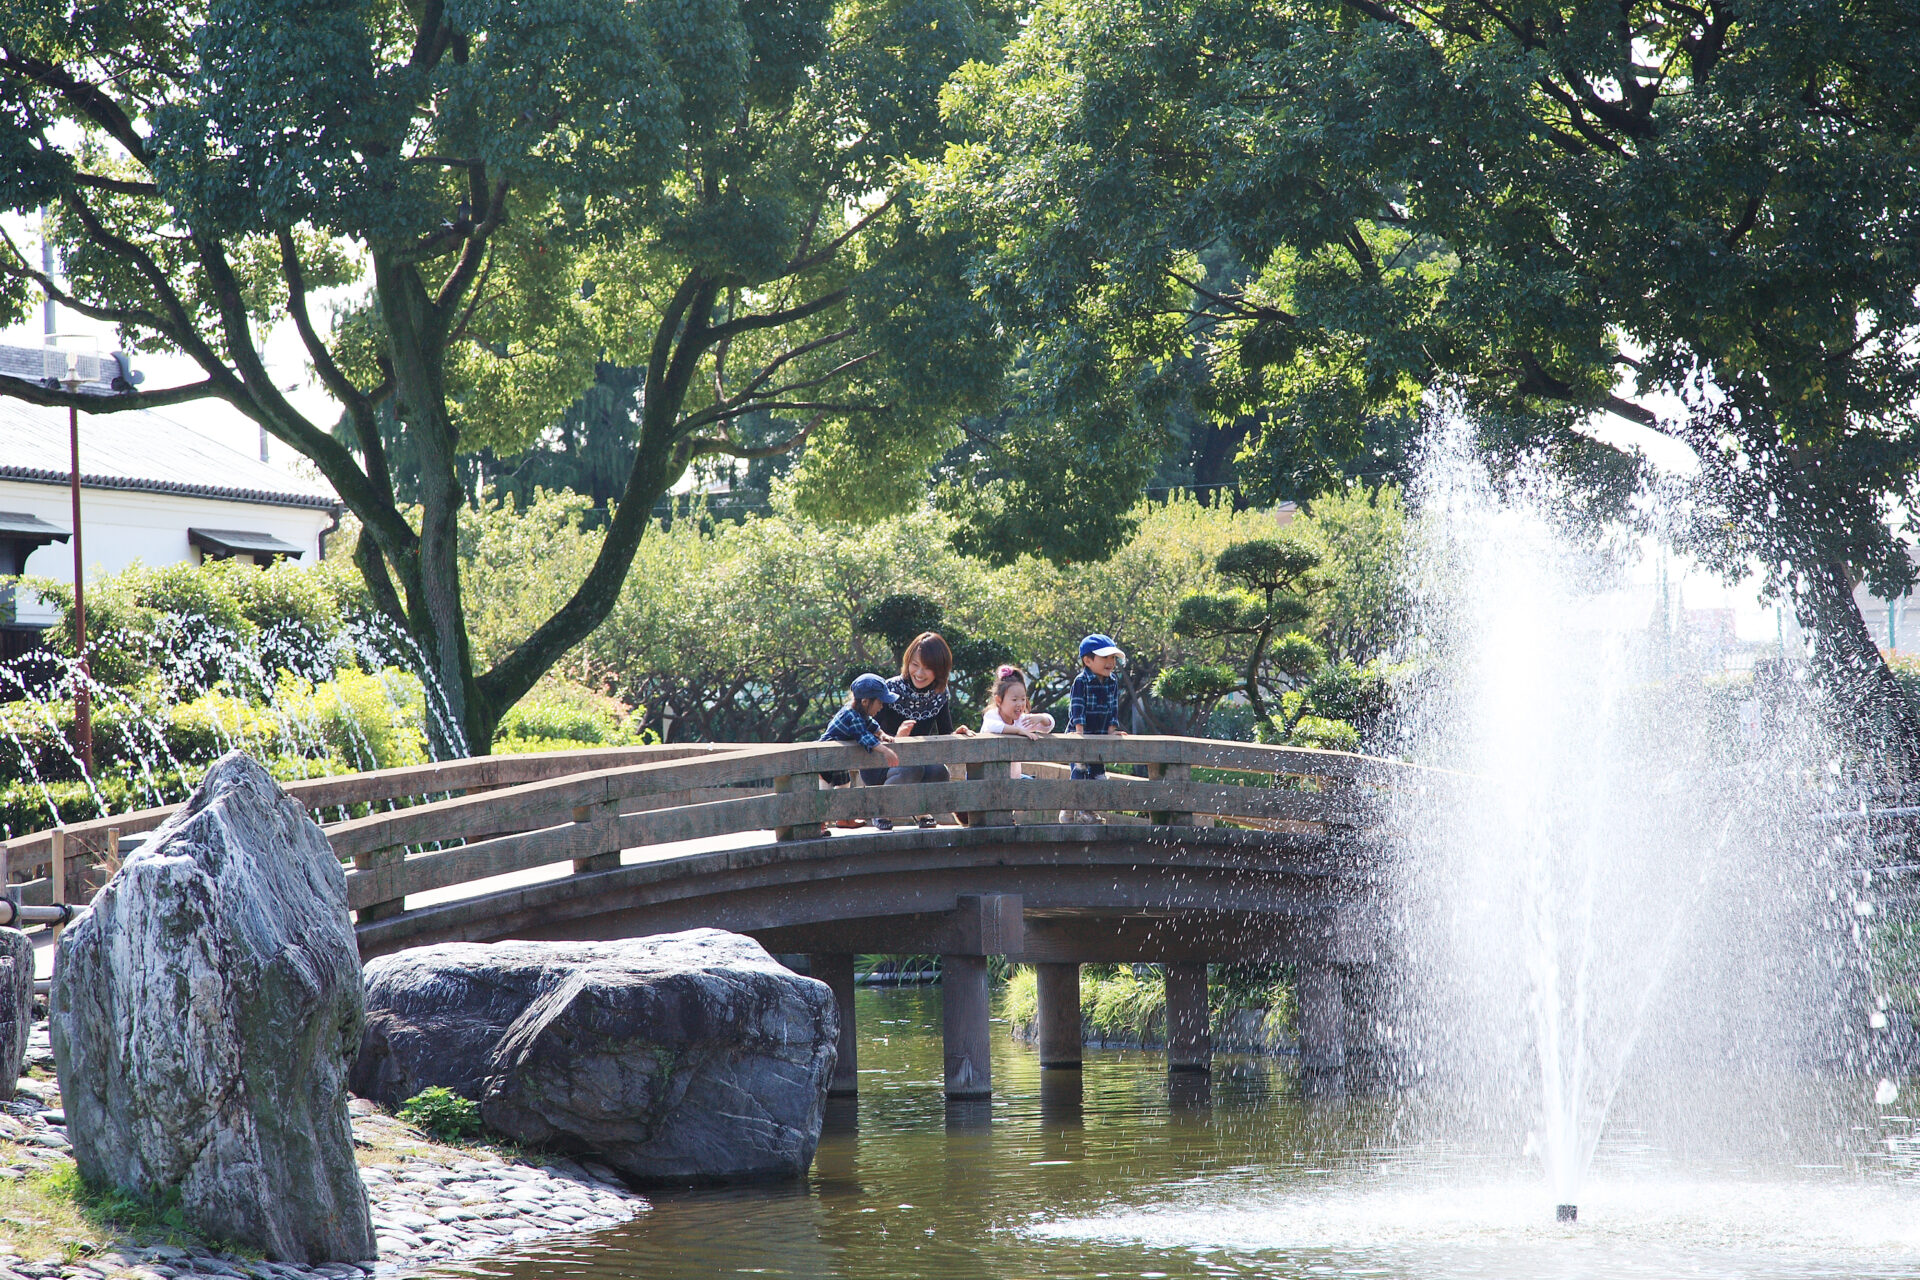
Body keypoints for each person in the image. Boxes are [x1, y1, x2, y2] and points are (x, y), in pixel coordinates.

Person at [867, 631, 972, 829]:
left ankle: (921, 810)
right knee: (912, 768)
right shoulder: (889, 690)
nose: (920, 673)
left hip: (916, 762)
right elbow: (869, 731)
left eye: (928, 668)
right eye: (915, 665)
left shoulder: (940, 694)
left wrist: (956, 734)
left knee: (940, 771)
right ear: (907, 662)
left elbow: (944, 732)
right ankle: (882, 811)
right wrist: (897, 738)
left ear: (940, 670)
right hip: (881, 763)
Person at [1063, 633, 1127, 822]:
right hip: (1080, 733)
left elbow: (1113, 707)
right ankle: (1071, 809)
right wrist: (1080, 734)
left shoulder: (1112, 681)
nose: (1111, 662)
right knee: (1080, 771)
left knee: (1098, 775)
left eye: (1113, 658)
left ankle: (1087, 812)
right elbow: (1077, 707)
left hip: (1099, 735)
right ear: (1088, 660)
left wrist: (1111, 730)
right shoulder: (1081, 681)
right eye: (1105, 657)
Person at [818, 673, 899, 805]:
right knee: (825, 788)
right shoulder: (852, 716)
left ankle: (843, 818)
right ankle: (821, 821)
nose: (881, 706)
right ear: (865, 701)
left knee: (844, 785)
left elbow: (871, 724)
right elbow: (864, 736)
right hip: (827, 756)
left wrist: (881, 734)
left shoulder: (860, 712)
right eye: (879, 702)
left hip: (838, 758)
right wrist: (886, 751)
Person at [981, 665, 1054, 779]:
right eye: (1014, 700)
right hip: (988, 778)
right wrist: (1019, 731)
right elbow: (993, 727)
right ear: (999, 700)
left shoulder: (1021, 720)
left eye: (1023, 699)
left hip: (1014, 778)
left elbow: (1047, 727)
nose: (1020, 704)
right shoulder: (992, 715)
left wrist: (1041, 718)